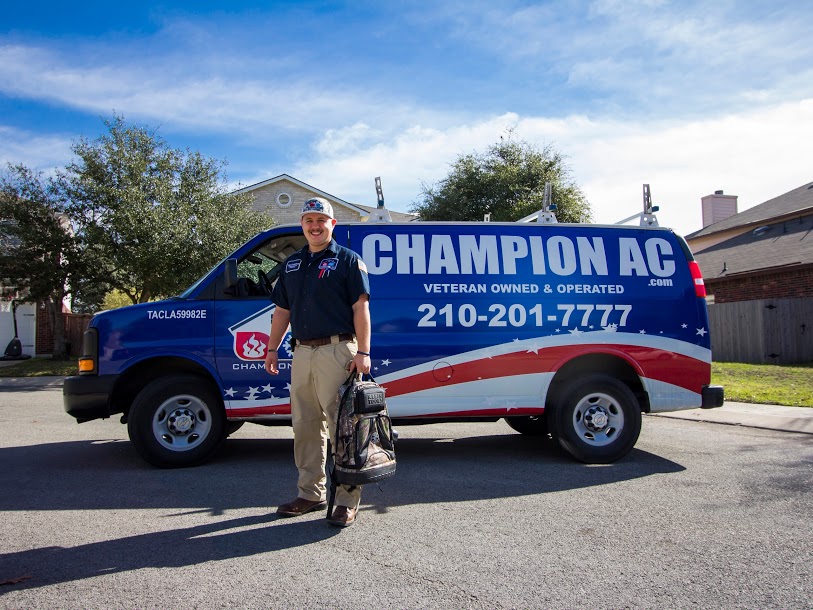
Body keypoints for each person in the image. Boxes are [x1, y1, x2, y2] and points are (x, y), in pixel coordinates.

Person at [264, 197, 372, 528]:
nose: (314, 225)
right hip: (302, 353)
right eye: (309, 220)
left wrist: (363, 352)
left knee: (344, 427)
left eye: (321, 220)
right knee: (306, 425)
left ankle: (346, 500)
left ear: (332, 224)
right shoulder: (292, 265)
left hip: (338, 351)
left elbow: (360, 307)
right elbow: (282, 311)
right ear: (302, 225)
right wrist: (272, 349)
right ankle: (310, 493)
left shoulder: (349, 261)